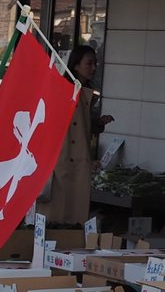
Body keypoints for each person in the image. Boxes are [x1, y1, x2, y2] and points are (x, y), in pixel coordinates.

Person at [38, 46, 113, 224]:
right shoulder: (64, 90)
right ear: (76, 66)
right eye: (89, 63)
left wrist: (97, 123)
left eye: (95, 63)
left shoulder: (83, 92)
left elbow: (79, 127)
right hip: (62, 163)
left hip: (75, 163)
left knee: (70, 216)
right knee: (59, 216)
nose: (94, 68)